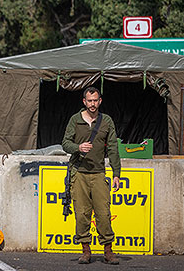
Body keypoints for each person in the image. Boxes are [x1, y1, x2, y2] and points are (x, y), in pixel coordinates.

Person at [62, 86, 121, 265]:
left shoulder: (106, 121)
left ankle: (108, 251)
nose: (92, 104)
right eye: (89, 101)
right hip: (79, 173)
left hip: (98, 173)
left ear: (100, 101)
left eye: (95, 100)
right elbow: (65, 143)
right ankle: (85, 250)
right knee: (81, 214)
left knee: (103, 214)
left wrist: (116, 173)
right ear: (84, 102)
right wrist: (78, 148)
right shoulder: (75, 120)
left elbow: (112, 148)